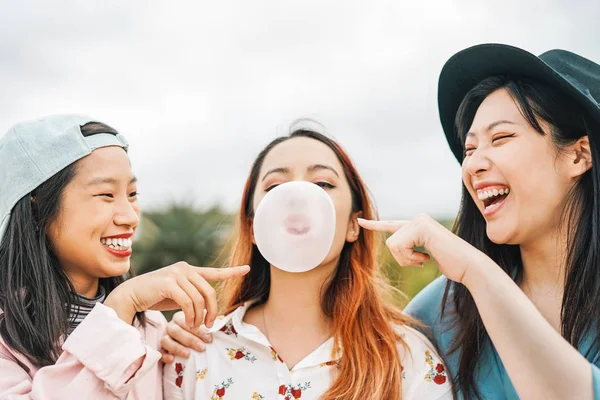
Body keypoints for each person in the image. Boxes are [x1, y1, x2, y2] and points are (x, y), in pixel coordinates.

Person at [358, 44, 600, 400]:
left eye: (501, 138)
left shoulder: (472, 278)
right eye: (469, 150)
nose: (472, 165)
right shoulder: (439, 312)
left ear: (578, 155)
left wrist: (479, 273)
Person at [163, 128, 453, 399]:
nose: (297, 197)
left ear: (354, 224)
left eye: (323, 183)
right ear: (253, 227)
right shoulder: (194, 350)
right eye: (275, 186)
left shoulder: (408, 357)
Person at [0, 115, 249, 399]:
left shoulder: (150, 328)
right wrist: (120, 306)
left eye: (132, 194)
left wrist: (182, 345)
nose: (130, 217)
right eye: (106, 194)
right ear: (37, 207)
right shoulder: (6, 339)